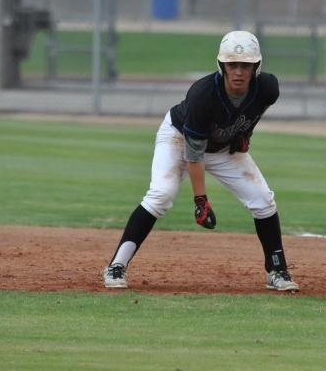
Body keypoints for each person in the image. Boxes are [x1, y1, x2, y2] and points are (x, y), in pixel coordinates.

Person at [103, 30, 299, 292]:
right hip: (179, 138)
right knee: (161, 195)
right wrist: (200, 200)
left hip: (222, 148)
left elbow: (253, 112)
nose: (239, 71)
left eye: (246, 65)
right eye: (232, 65)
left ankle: (277, 270)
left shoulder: (268, 88)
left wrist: (244, 134)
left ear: (256, 67)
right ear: (222, 66)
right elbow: (194, 154)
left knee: (263, 200)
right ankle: (117, 265)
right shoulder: (202, 95)